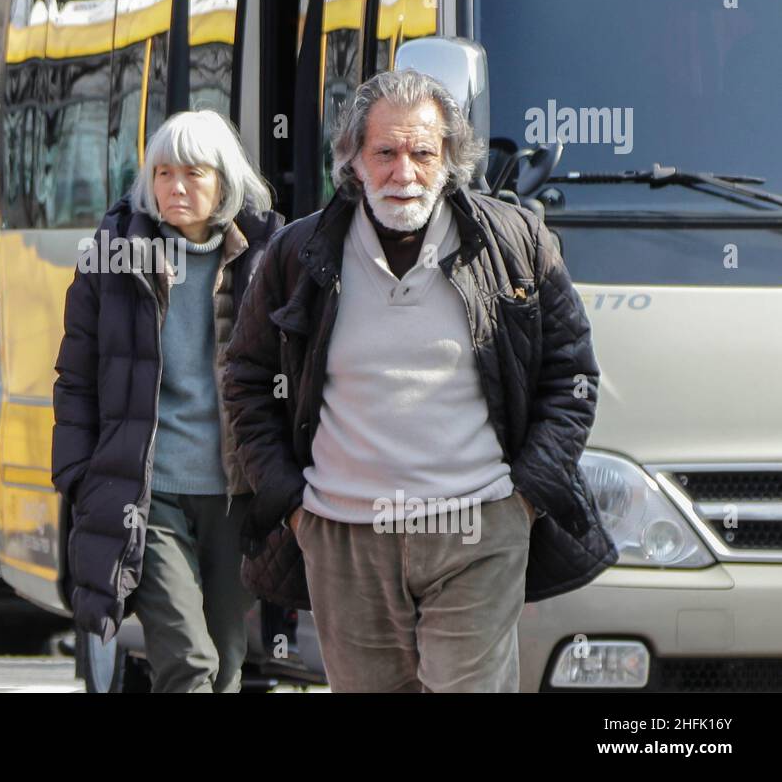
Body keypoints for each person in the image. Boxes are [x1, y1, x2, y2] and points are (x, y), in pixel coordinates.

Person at [222, 68, 618, 692]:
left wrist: (527, 497)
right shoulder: (298, 254)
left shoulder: (514, 243)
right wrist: (292, 505)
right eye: (385, 152)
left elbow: (571, 373)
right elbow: (246, 380)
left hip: (480, 524)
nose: (403, 173)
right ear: (352, 159)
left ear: (450, 159)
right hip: (344, 535)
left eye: (422, 152)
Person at [52, 110, 283, 692]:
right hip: (145, 493)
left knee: (228, 665)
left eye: (193, 174)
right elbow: (75, 378)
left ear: (225, 182)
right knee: (188, 661)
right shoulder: (113, 255)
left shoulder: (268, 257)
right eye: (162, 174)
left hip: (235, 494)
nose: (175, 188)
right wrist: (81, 477)